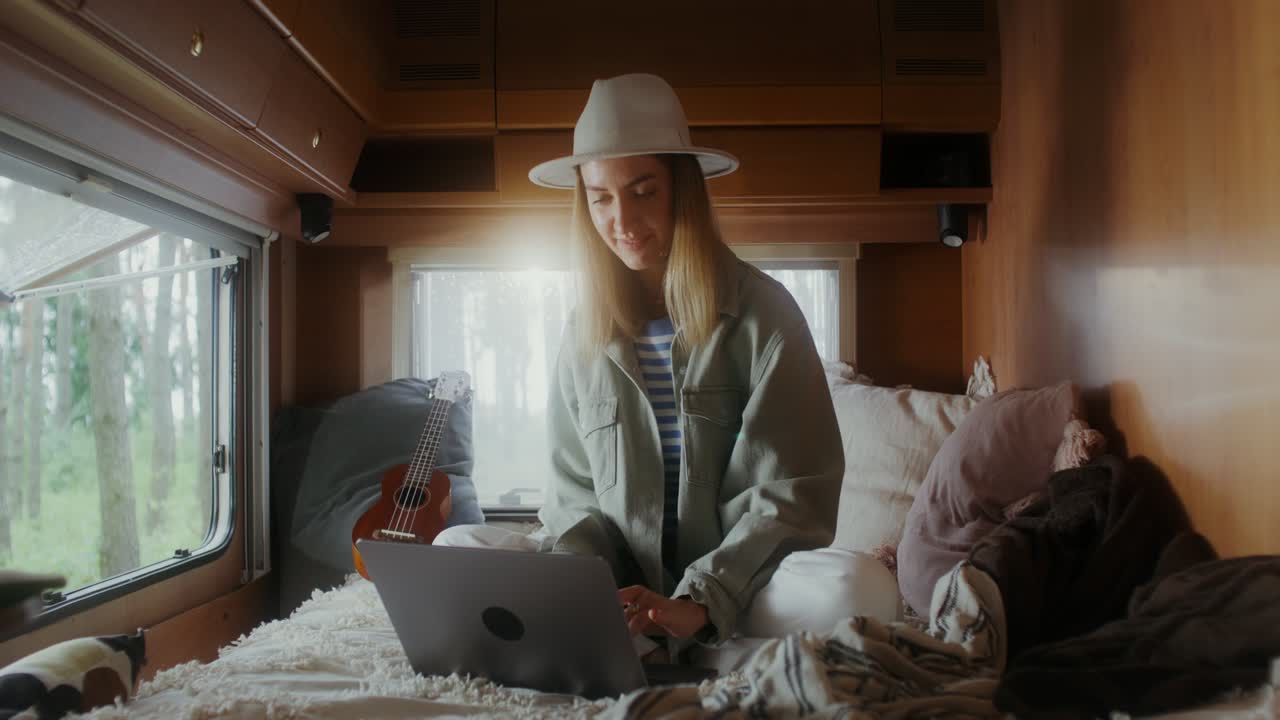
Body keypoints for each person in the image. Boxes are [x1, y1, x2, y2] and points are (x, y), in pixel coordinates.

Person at [437, 73, 898, 660]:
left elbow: (790, 498)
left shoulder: (767, 315)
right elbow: (574, 496)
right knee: (456, 546)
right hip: (616, 589)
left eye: (643, 191)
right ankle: (626, 635)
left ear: (682, 189)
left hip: (742, 587)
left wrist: (701, 600)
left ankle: (674, 640)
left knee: (862, 589)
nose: (622, 221)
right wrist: (592, 591)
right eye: (601, 198)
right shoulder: (582, 334)